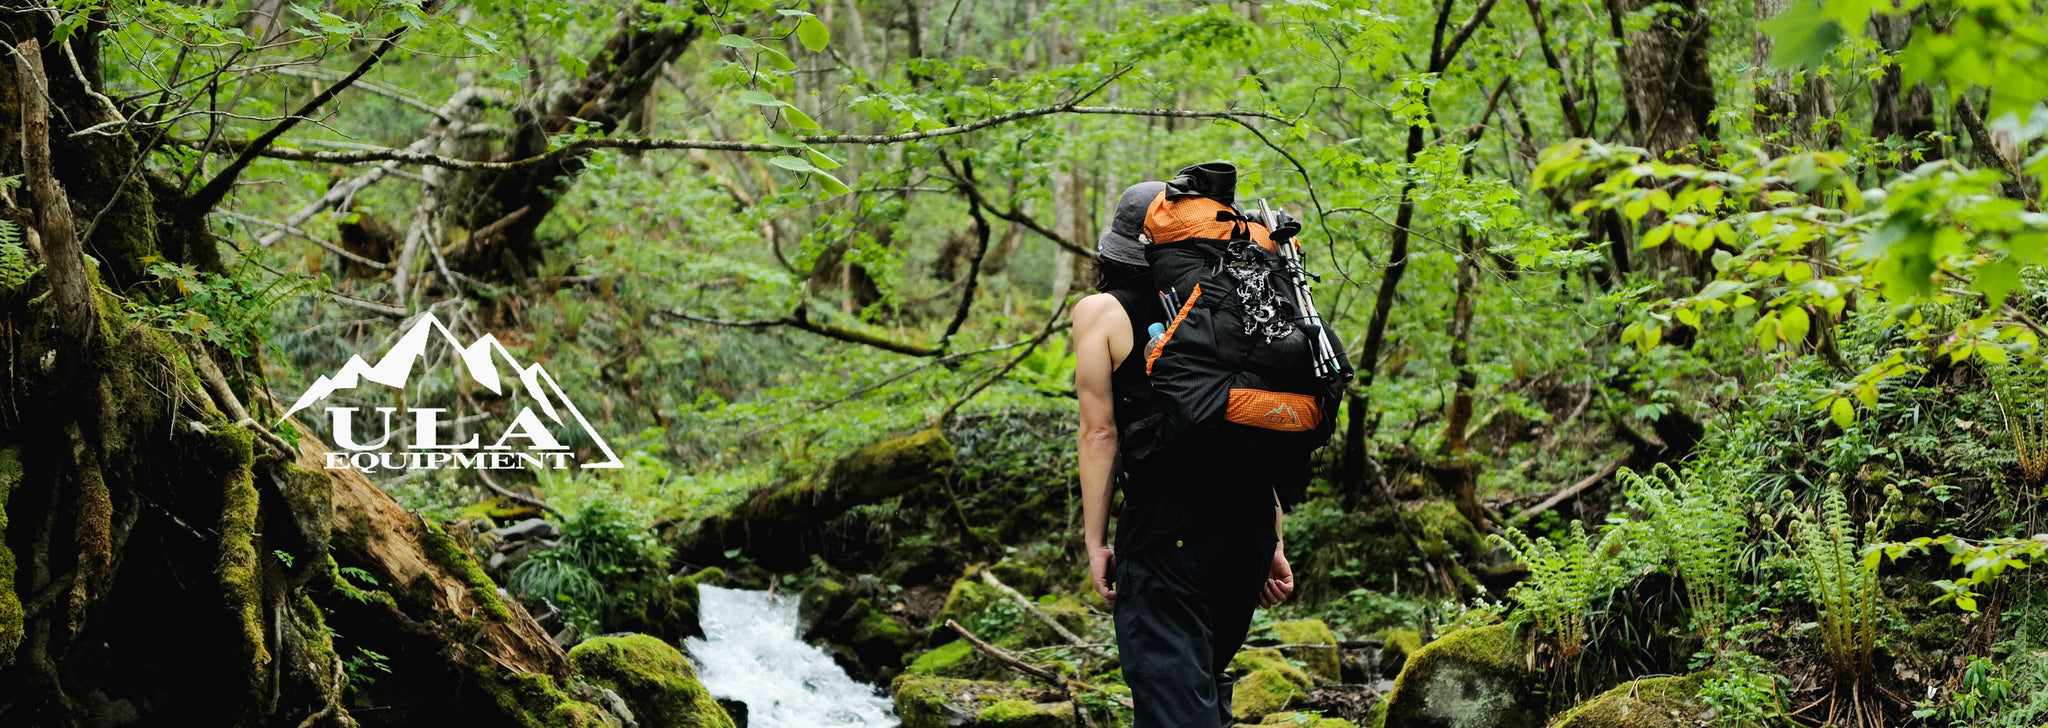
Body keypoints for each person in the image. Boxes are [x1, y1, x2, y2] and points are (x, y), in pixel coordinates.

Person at [1075, 181, 1297, 728]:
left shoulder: (1102, 312)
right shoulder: (1245, 307)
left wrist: (1096, 541)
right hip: (1246, 533)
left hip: (1165, 538)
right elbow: (1259, 426)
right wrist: (1273, 540)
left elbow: (1099, 433)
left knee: (1176, 709)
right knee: (1199, 695)